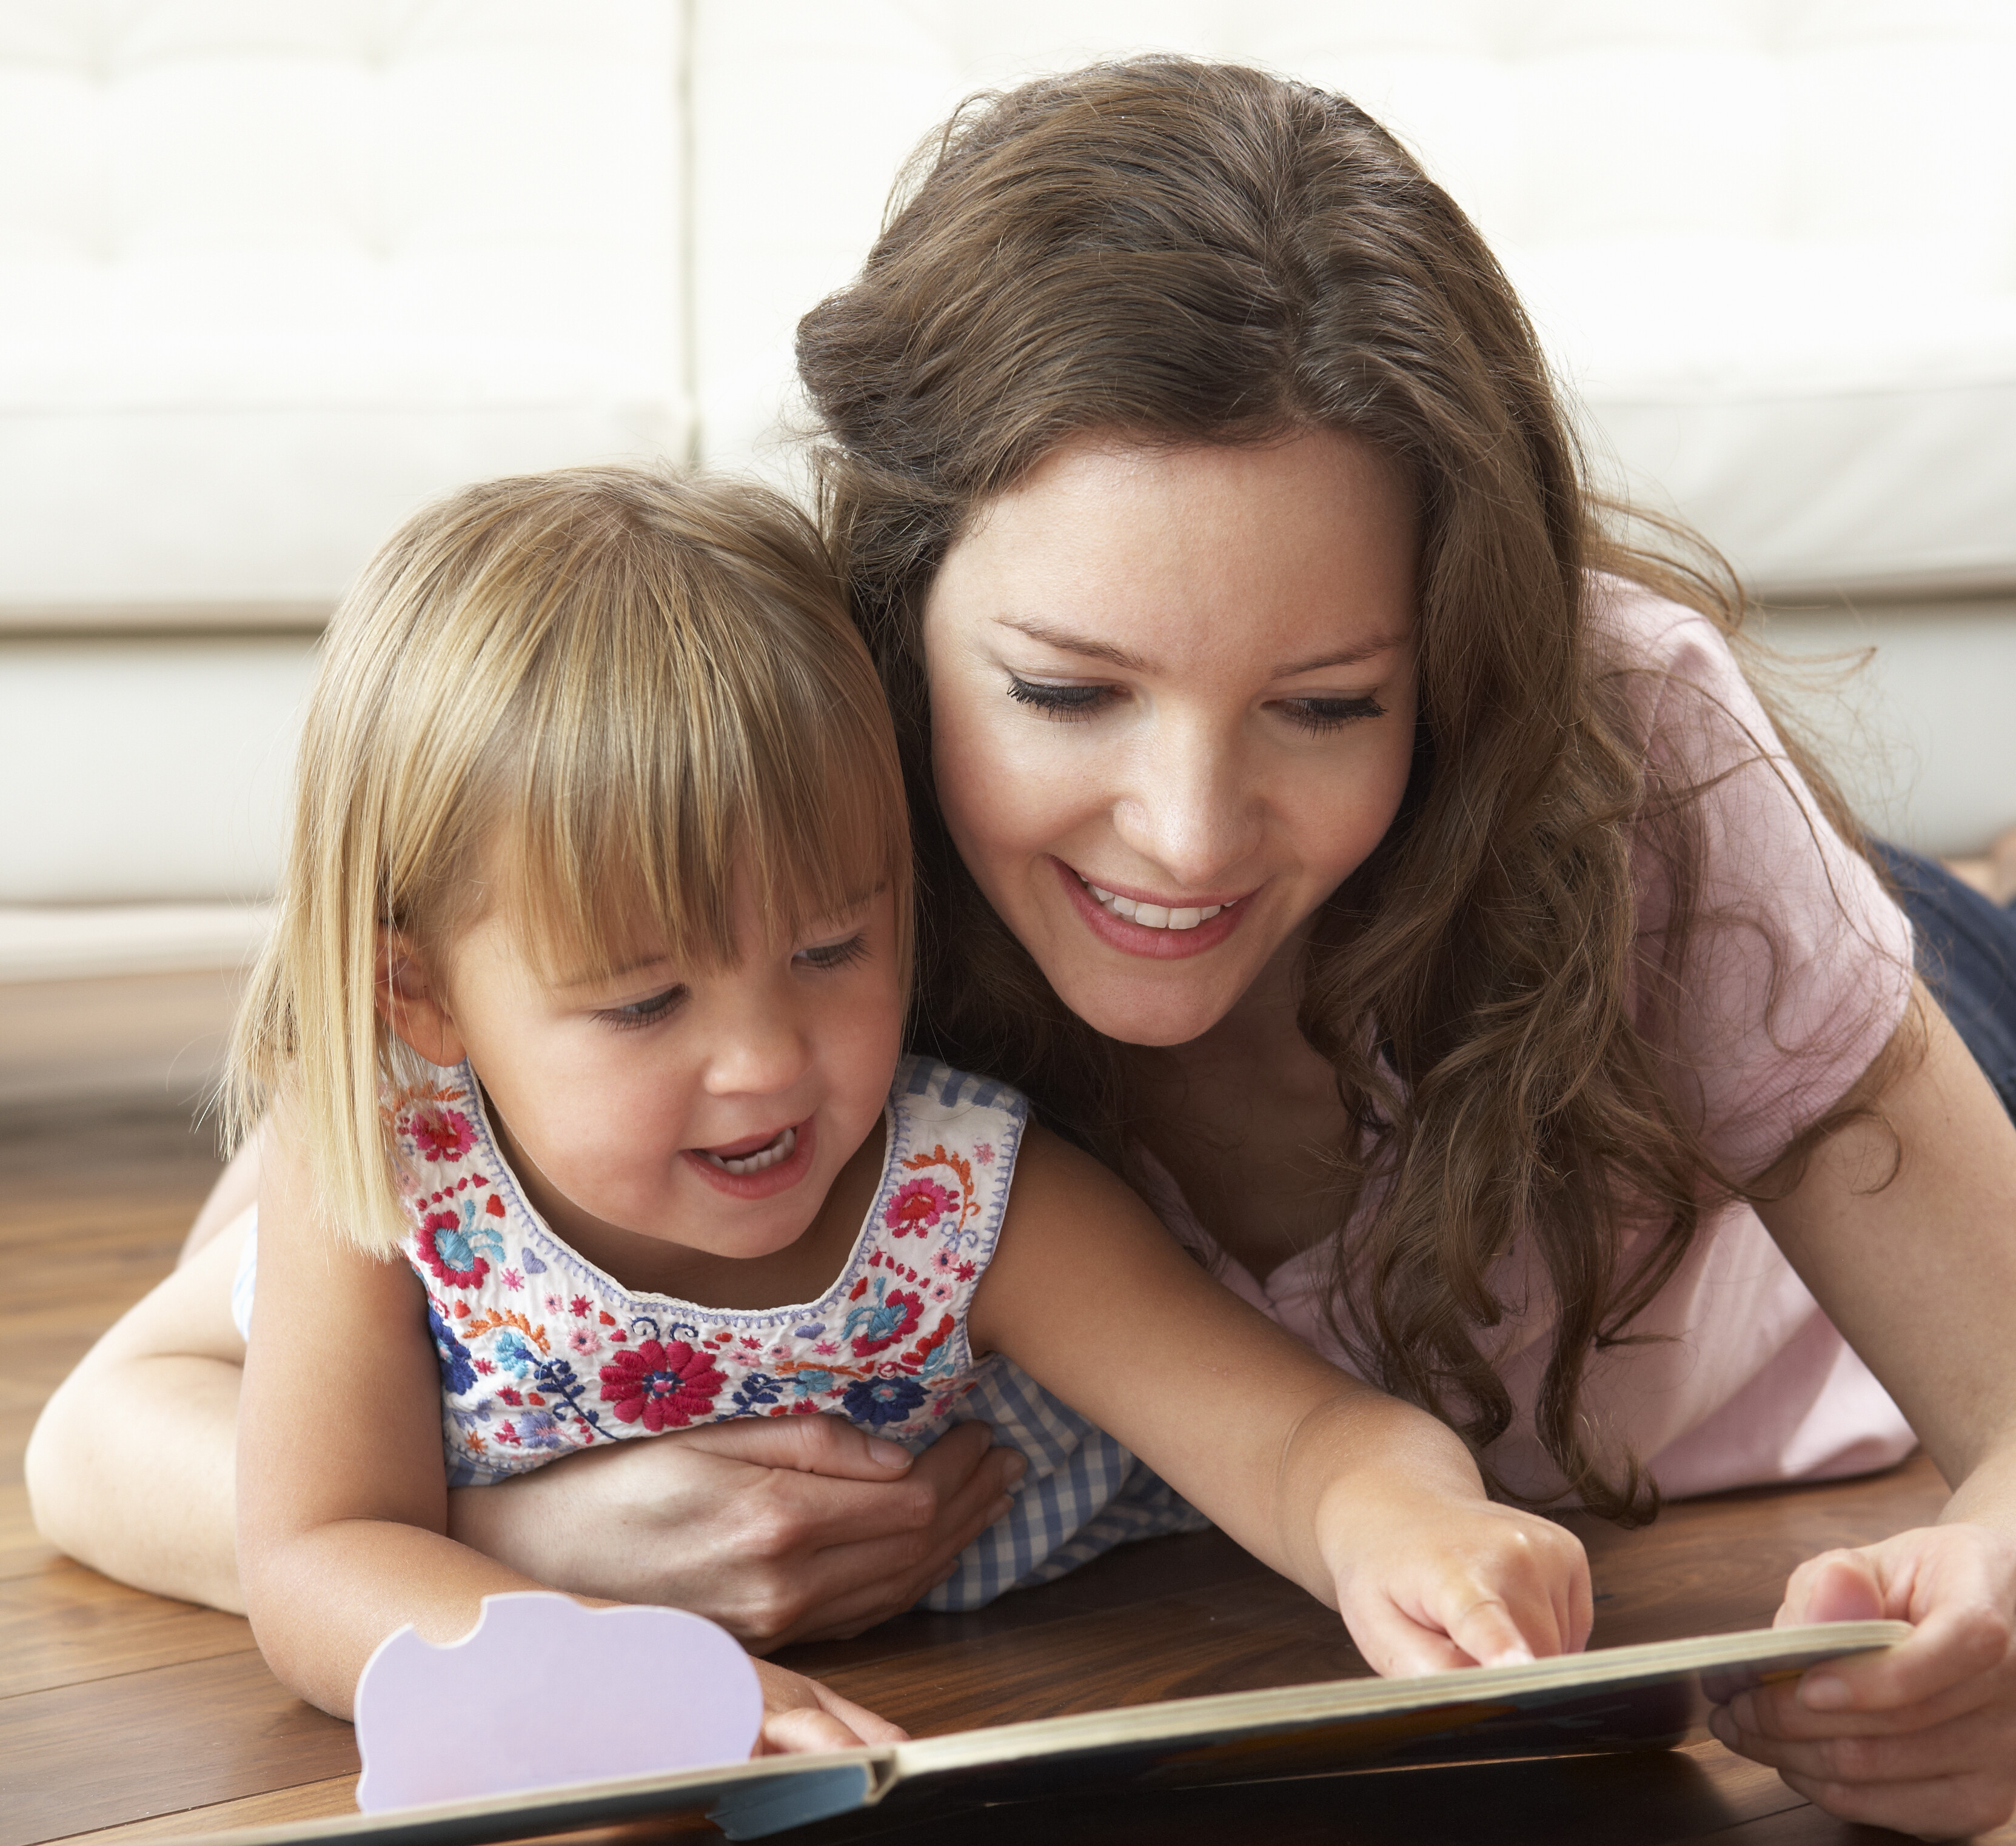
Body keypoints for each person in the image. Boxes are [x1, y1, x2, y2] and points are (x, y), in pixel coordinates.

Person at [25, 56, 2016, 1834]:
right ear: (902, 629)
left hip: (1872, 1037)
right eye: (1066, 691)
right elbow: (120, 1440)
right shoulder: (761, 812)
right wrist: (540, 1570)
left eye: (1325, 702)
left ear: (1447, 660)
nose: (1182, 835)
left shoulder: (1617, 751)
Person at [189, 463, 1594, 1750]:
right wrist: (632, 1684)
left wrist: (1408, 1527)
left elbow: (1299, 1437)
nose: (762, 1063)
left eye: (828, 951)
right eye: (643, 1002)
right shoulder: (378, 1164)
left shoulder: (956, 1191)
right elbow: (315, 1556)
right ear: (419, 997)